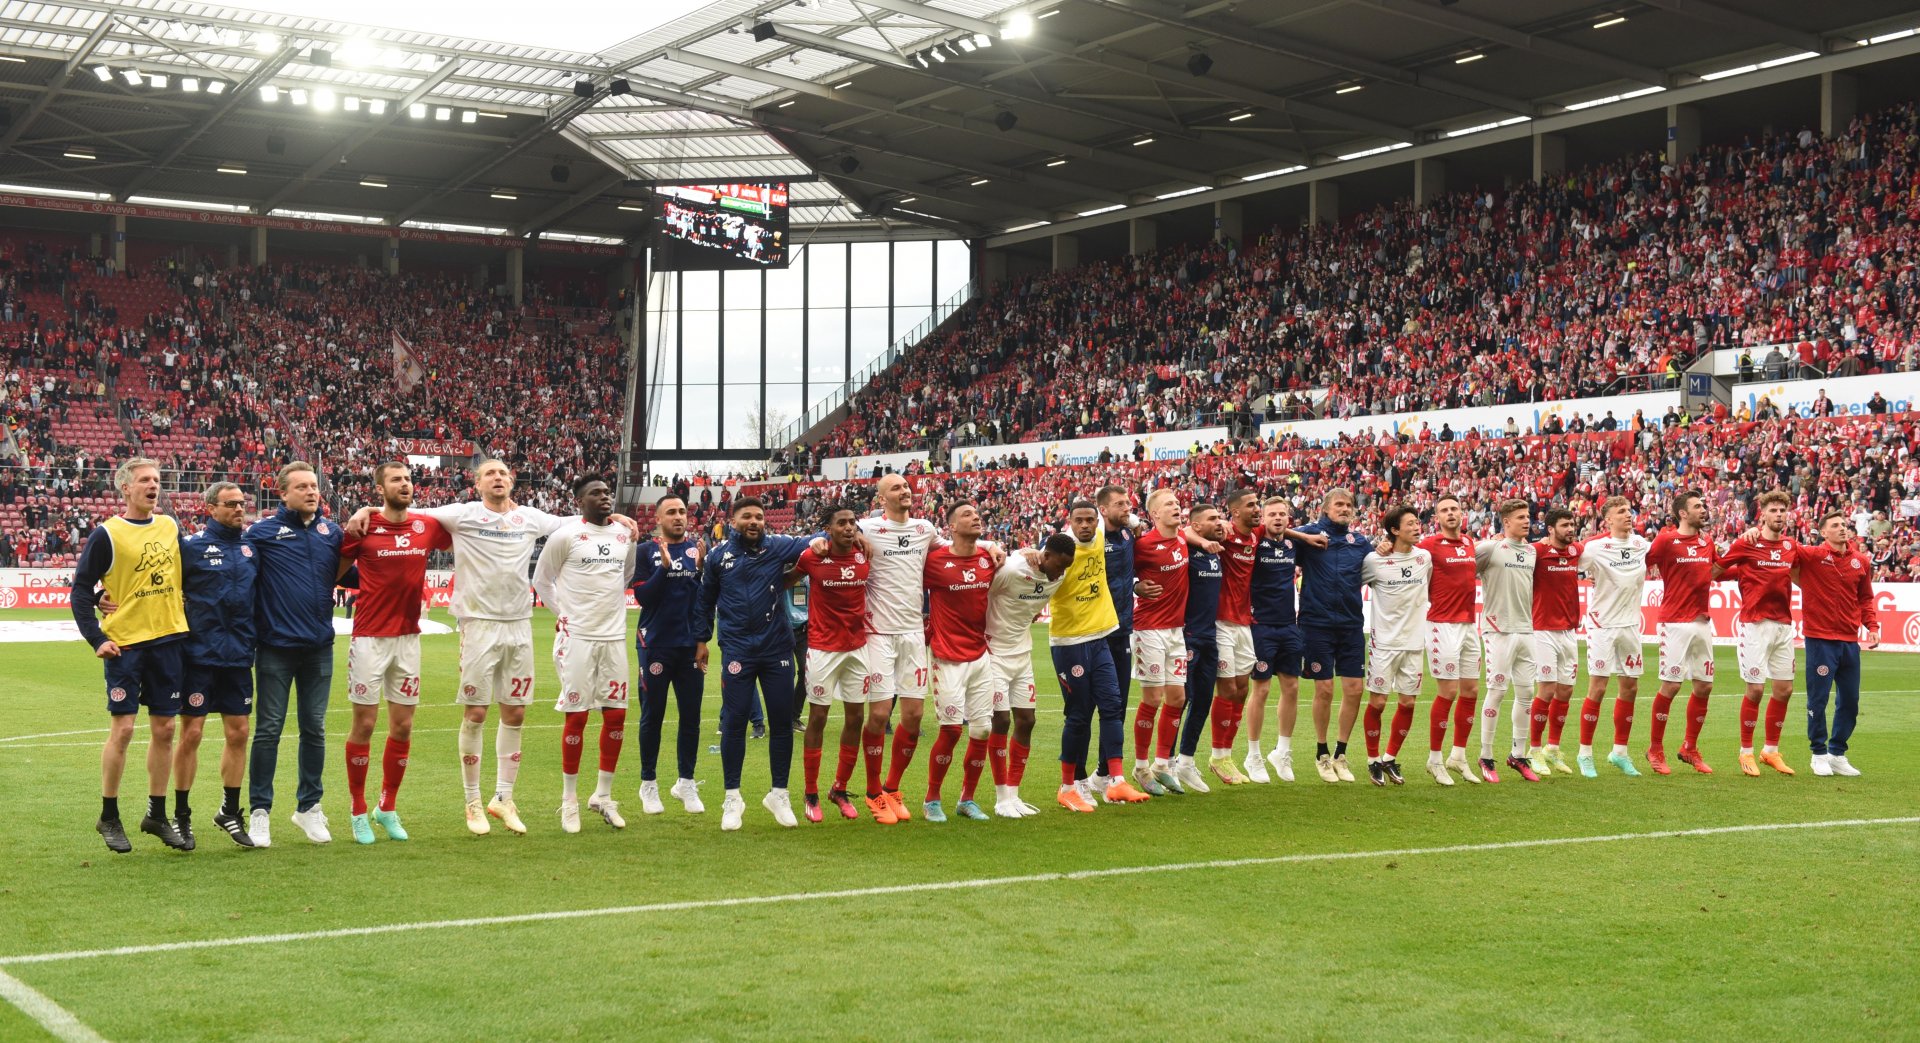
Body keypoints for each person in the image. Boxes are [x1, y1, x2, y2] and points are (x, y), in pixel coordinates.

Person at [352, 458, 624, 835]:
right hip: (478, 625)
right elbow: (404, 510)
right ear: (477, 483)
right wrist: (365, 508)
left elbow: (574, 520)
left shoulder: (530, 517)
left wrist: (617, 520)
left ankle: (503, 798)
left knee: (515, 715)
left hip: (519, 626)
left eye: (503, 473)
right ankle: (472, 801)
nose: (498, 478)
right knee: (476, 714)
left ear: (511, 481)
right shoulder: (460, 514)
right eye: (489, 474)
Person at [70, 457, 190, 853]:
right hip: (125, 645)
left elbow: (189, 571)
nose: (153, 485)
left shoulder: (170, 526)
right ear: (125, 488)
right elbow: (82, 590)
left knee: (166, 730)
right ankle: (109, 815)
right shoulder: (107, 534)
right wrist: (95, 638)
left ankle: (157, 814)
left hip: (169, 639)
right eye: (144, 480)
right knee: (122, 730)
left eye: (157, 479)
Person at [336, 462, 450, 844]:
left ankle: (386, 807)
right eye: (396, 480)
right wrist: (360, 513)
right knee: (365, 725)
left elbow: (470, 526)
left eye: (407, 479)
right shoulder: (362, 528)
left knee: (403, 726)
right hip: (369, 637)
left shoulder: (427, 525)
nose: (405, 484)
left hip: (408, 638)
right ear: (380, 488)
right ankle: (356, 810)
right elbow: (334, 573)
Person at [693, 497, 813, 830]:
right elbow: (704, 602)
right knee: (734, 723)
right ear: (734, 521)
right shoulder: (718, 557)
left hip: (776, 648)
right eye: (747, 516)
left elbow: (816, 541)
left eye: (759, 517)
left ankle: (779, 793)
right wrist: (701, 640)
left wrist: (853, 533)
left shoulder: (777, 547)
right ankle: (732, 798)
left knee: (780, 722)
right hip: (737, 650)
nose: (754, 521)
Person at [247, 461, 346, 845]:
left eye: (314, 486)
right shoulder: (262, 533)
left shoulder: (330, 533)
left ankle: (309, 808)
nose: (311, 492)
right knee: (268, 730)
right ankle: (260, 812)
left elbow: (356, 570)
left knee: (315, 729)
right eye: (302, 486)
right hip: (275, 648)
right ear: (282, 492)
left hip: (319, 647)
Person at [532, 476, 637, 834]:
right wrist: (563, 613)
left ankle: (603, 796)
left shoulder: (625, 535)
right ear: (580, 501)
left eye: (608, 492)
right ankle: (569, 801)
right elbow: (542, 581)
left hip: (613, 640)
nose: (605, 497)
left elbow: (625, 576)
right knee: (576, 719)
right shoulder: (565, 537)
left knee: (616, 717)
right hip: (577, 639)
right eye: (596, 493)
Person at [1050, 498, 1152, 811]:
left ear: (1097, 520)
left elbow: (1125, 516)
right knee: (1079, 715)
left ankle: (1116, 782)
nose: (1084, 525)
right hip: (1070, 642)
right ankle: (1068, 786)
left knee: (1112, 707)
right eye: (1078, 520)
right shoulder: (1058, 549)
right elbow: (1035, 562)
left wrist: (1135, 522)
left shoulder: (1099, 536)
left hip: (1102, 636)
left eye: (1089, 520)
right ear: (1069, 520)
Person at [177, 481, 260, 846]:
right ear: (210, 508)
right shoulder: (191, 548)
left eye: (243, 503)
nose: (240, 509)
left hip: (239, 655)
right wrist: (103, 596)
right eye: (231, 504)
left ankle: (229, 810)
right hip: (199, 655)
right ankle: (181, 815)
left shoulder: (251, 548)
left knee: (239, 733)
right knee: (192, 734)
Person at [790, 503, 876, 823]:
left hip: (857, 648)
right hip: (823, 649)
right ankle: (810, 793)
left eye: (853, 522)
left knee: (855, 718)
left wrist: (863, 536)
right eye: (842, 523)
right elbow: (789, 579)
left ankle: (839, 789)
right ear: (829, 527)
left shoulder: (864, 551)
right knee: (818, 718)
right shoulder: (813, 556)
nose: (849, 528)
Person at [920, 502, 1001, 822]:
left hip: (980, 656)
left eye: (977, 513)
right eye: (966, 514)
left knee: (982, 729)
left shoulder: (989, 559)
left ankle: (967, 800)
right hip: (946, 656)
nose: (975, 516)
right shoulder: (935, 561)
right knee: (952, 730)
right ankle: (931, 799)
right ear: (951, 527)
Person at [986, 533, 1075, 818]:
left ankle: (1014, 794)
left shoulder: (1056, 576)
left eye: (1066, 567)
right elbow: (982, 592)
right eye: (1059, 565)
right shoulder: (1013, 569)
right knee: (1000, 720)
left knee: (1027, 720)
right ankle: (1001, 799)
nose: (1061, 573)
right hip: (994, 653)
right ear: (1045, 556)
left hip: (1022, 654)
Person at [1288, 488, 1372, 783]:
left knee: (1354, 689)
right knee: (1324, 689)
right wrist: (1303, 537)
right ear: (1325, 509)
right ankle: (1321, 752)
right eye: (1339, 504)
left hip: (1351, 624)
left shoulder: (1359, 542)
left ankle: (1341, 753)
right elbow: (1277, 533)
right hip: (1316, 623)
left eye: (1349, 504)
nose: (1346, 508)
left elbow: (1377, 567)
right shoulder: (1309, 535)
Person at [1714, 489, 1799, 777]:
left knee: (1785, 690)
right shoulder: (1747, 542)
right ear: (1761, 514)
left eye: (1782, 510)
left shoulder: (1791, 546)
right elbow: (1715, 569)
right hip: (1755, 624)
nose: (1778, 515)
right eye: (1773, 510)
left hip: (1784, 626)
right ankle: (1746, 752)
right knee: (1756, 689)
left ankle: (1770, 751)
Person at [631, 495, 706, 815]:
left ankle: (685, 782)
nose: (679, 517)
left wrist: (703, 640)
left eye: (682, 512)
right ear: (658, 519)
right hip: (655, 645)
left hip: (690, 646)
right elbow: (644, 597)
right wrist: (663, 569)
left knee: (691, 717)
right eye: (671, 512)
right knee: (653, 716)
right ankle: (648, 784)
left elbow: (704, 601)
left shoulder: (698, 551)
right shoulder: (646, 551)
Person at [1791, 513, 1879, 777]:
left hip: (1850, 641)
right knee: (1818, 699)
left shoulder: (1860, 561)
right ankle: (1818, 753)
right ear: (1823, 533)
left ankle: (1837, 753)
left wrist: (1872, 627)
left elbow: (1865, 598)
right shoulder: (1812, 555)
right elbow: (1782, 549)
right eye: (1835, 526)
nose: (1842, 529)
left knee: (1850, 700)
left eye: (1844, 525)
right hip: (1820, 639)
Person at [1576, 497, 1651, 777]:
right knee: (1598, 687)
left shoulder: (1641, 544)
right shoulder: (1595, 548)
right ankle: (1585, 754)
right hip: (1602, 625)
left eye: (1629, 510)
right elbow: (1567, 558)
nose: (1627, 515)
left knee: (1630, 688)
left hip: (1630, 625)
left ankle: (1619, 752)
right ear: (1607, 519)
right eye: (1620, 512)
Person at [1646, 489, 1718, 775]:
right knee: (1672, 685)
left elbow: (1716, 569)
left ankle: (1689, 748)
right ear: (1682, 513)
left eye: (1704, 505)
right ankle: (1655, 748)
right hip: (1674, 621)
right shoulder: (1665, 540)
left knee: (1704, 686)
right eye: (1697, 506)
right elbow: (1643, 563)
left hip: (1702, 621)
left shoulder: (1707, 541)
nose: (1703, 509)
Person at [1359, 506, 1432, 785]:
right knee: (1377, 703)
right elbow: (1350, 584)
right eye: (1410, 523)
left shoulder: (1424, 557)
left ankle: (1389, 758)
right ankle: (1372, 759)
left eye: (1417, 522)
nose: (1417, 527)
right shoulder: (1374, 561)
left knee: (1408, 702)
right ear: (1394, 530)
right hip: (1384, 644)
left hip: (1414, 644)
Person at [1128, 488, 1190, 796]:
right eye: (1169, 505)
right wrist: (1136, 586)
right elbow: (1121, 572)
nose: (1176, 507)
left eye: (1177, 503)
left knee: (1177, 698)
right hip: (1149, 629)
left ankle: (1162, 764)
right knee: (1152, 699)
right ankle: (1140, 767)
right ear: (1154, 515)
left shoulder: (1182, 539)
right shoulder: (1143, 545)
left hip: (1176, 630)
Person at [1474, 499, 1539, 782]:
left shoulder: (1532, 551)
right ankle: (1486, 756)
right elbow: (1461, 568)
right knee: (1497, 691)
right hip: (1497, 629)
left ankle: (1518, 755)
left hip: (1526, 630)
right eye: (1521, 517)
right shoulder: (1490, 548)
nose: (1527, 521)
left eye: (1528, 517)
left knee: (1527, 694)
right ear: (1507, 521)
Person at [1419, 495, 1482, 785]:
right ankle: (1434, 759)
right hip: (1442, 625)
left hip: (1469, 625)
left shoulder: (1470, 543)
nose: (1450, 513)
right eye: (1444, 510)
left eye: (1454, 508)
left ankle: (1458, 756)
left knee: (1470, 690)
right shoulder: (1429, 546)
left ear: (1462, 513)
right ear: (1437, 518)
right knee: (1448, 692)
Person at [1202, 489, 1261, 785]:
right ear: (1234, 513)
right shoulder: (1223, 535)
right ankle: (1218, 756)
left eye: (1257, 504)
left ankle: (1225, 754)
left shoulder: (1255, 535)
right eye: (1251, 505)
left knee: (1240, 689)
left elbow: (1280, 525)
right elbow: (1189, 528)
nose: (1257, 508)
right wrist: (1206, 537)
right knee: (1226, 688)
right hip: (1220, 622)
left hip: (1243, 623)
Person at [1246, 497, 1303, 783]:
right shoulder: (1255, 540)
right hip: (1260, 625)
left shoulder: (1293, 545)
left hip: (1288, 625)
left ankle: (1282, 751)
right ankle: (1253, 754)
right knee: (1262, 690)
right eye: (1272, 514)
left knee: (1292, 687)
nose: (1278, 518)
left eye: (1283, 514)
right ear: (1263, 517)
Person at [1526, 508, 1583, 776]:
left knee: (1566, 691)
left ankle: (1552, 748)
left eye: (1572, 524)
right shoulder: (1536, 551)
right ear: (1550, 529)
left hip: (1569, 631)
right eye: (1564, 525)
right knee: (1546, 689)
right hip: (1543, 630)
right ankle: (1533, 750)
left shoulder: (1576, 552)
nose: (1570, 529)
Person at [1175, 504, 1226, 794]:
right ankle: (1165, 762)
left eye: (1220, 517)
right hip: (1187, 636)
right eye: (1212, 519)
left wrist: (1212, 539)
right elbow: (1179, 532)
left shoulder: (1215, 550)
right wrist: (1201, 540)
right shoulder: (1184, 548)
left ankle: (1186, 760)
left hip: (1210, 636)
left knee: (1203, 701)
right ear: (1196, 526)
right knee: (1180, 700)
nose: (1219, 523)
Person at [1096, 485, 1138, 786]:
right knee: (1085, 710)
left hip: (1122, 630)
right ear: (1103, 510)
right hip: (1095, 632)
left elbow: (1124, 578)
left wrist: (1136, 586)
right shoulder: (1093, 538)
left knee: (1118, 705)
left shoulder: (1127, 536)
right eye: (1120, 504)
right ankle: (1075, 780)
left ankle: (1103, 772)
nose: (1127, 508)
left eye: (1128, 503)